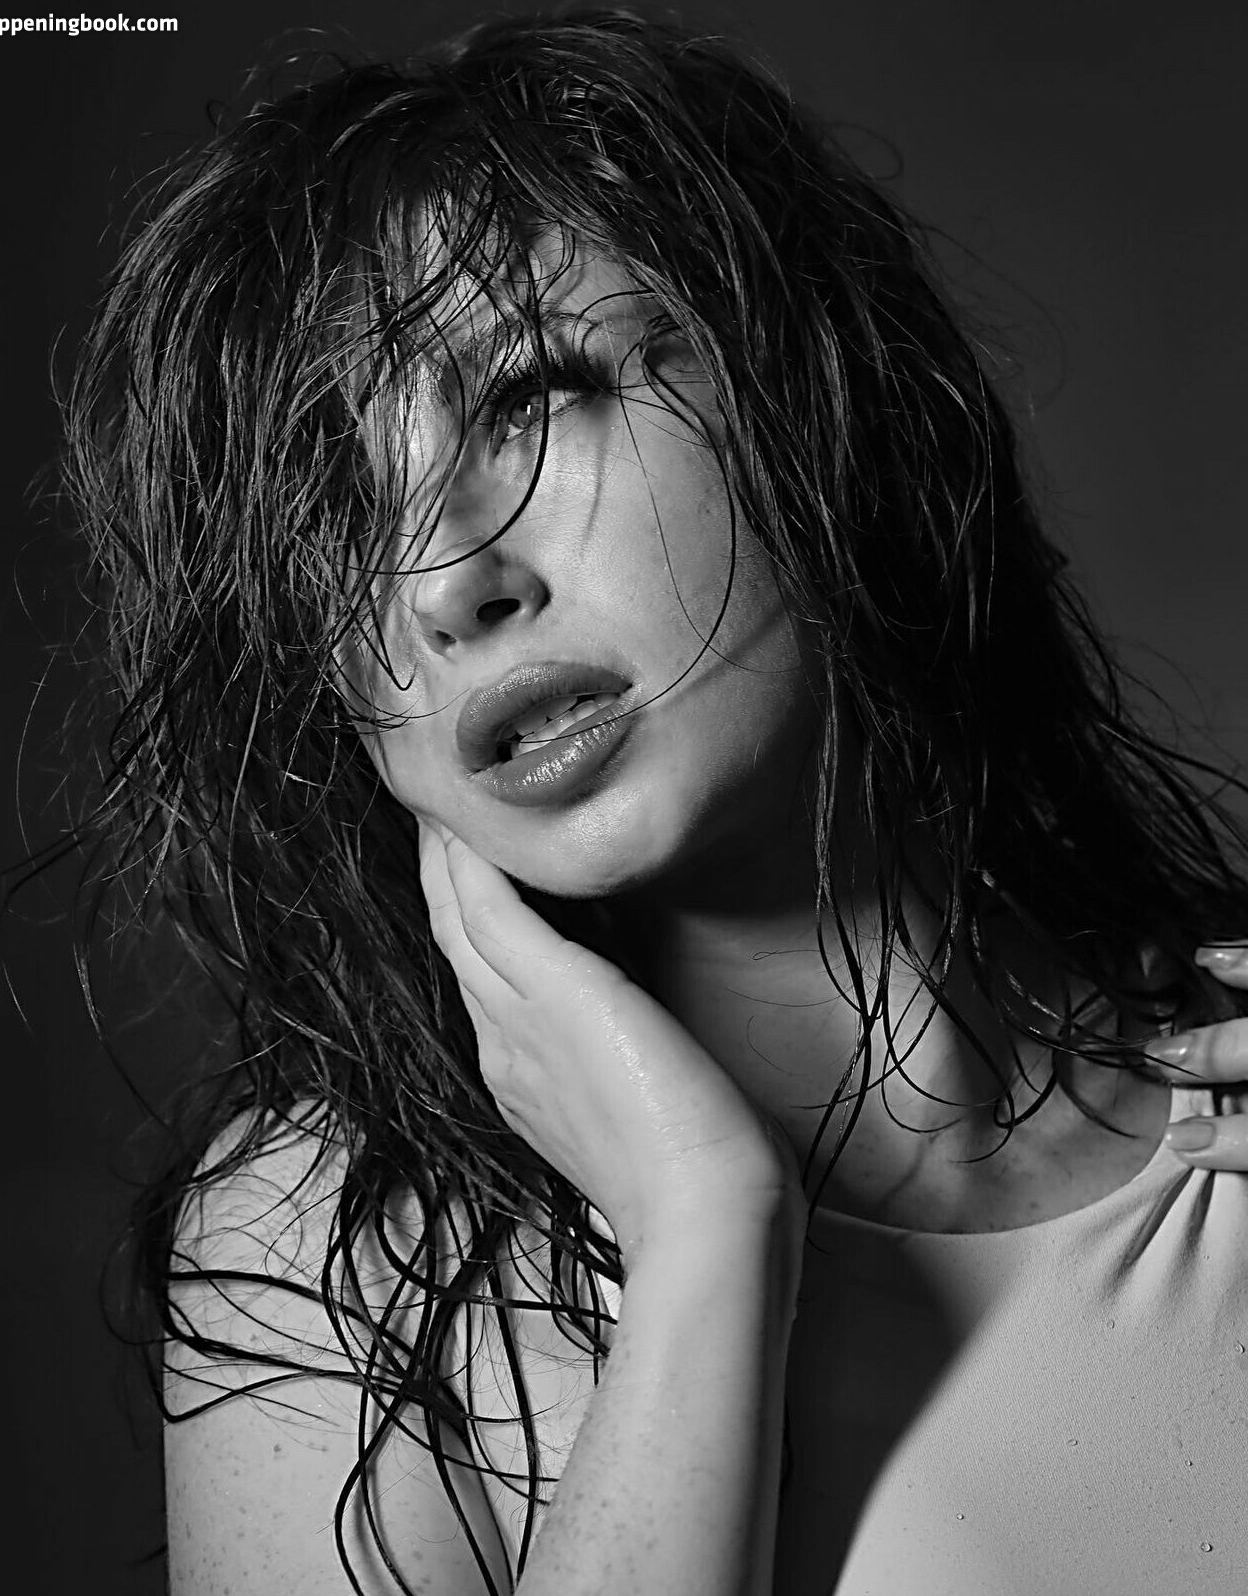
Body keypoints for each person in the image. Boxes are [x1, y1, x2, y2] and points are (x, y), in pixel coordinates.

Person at [63, 11, 1248, 1595]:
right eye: (332, 514)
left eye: (529, 394)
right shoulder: (329, 1261)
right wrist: (703, 1234)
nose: (443, 583)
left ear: (822, 394)